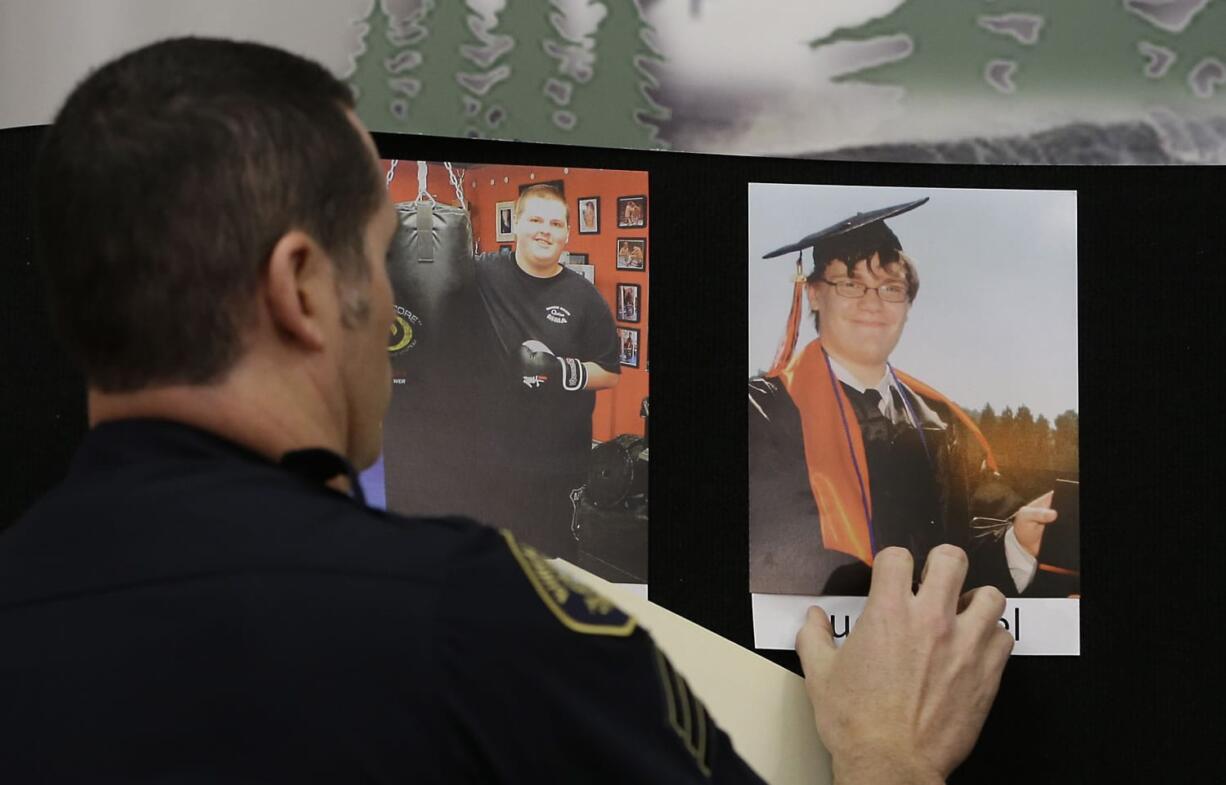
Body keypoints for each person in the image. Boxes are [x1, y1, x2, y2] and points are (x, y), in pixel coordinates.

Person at [0, 37, 1012, 784]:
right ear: (301, 287)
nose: (396, 303)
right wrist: (888, 754)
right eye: (378, 254)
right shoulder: (466, 621)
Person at [748, 198, 1072, 599]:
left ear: (907, 304)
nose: (873, 303)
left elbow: (965, 548)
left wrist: (1020, 539)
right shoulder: (760, 413)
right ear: (813, 294)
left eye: (891, 288)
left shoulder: (939, 422)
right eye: (850, 284)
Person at [473, 184, 620, 561]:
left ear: (567, 234)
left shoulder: (586, 299)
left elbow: (610, 372)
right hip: (492, 451)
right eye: (535, 220)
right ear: (516, 224)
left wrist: (561, 371)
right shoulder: (483, 273)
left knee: (548, 562)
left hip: (556, 458)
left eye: (555, 223)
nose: (545, 230)